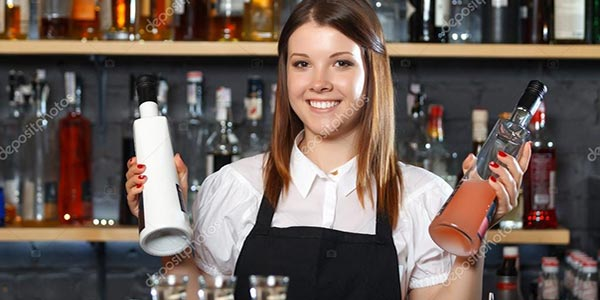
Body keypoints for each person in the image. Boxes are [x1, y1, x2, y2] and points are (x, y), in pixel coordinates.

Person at [125, 0, 532, 299]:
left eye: (341, 63)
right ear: (284, 76)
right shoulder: (233, 187)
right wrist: (169, 229)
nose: (319, 82)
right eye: (302, 64)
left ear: (372, 74)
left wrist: (474, 230)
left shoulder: (423, 197)